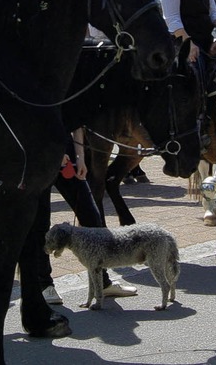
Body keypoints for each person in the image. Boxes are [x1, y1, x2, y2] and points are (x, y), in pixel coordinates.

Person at [35, 129, 137, 305]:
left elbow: (76, 124)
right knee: (40, 222)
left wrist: (80, 157)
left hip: (67, 154)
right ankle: (44, 284)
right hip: (39, 153)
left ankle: (102, 282)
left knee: (92, 217)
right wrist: (53, 151)